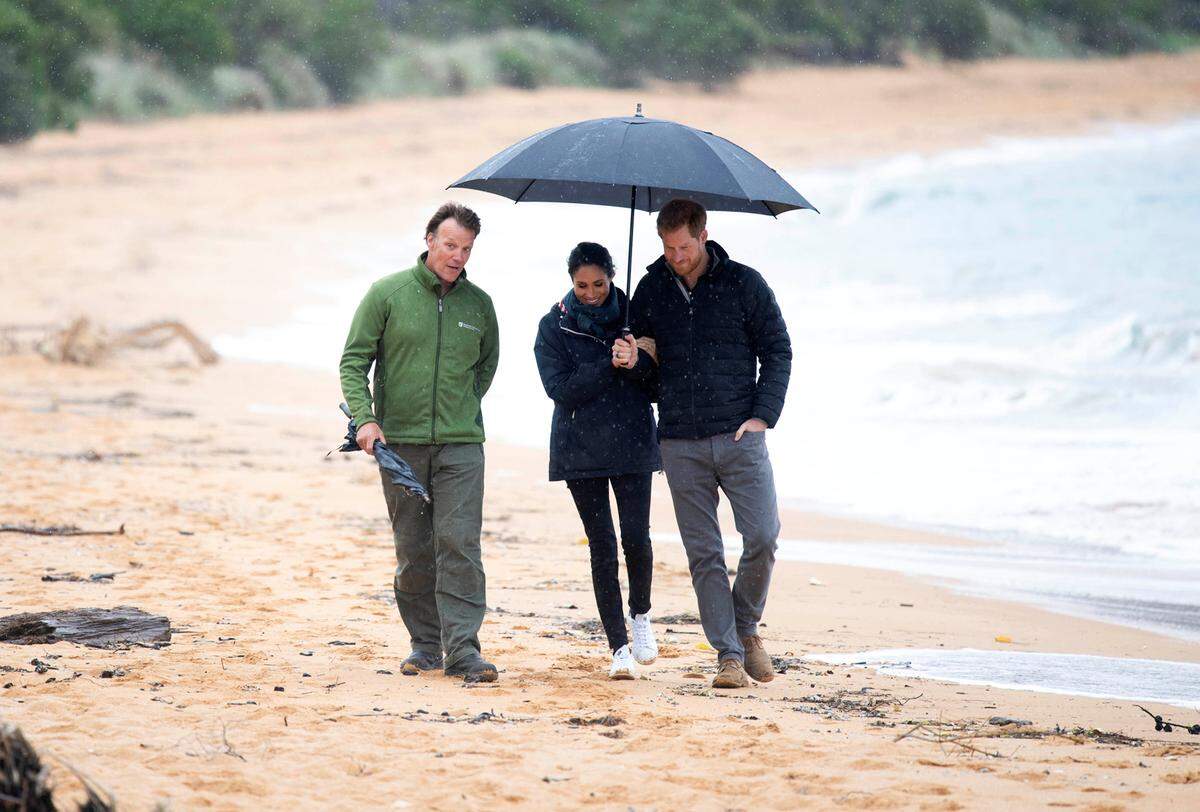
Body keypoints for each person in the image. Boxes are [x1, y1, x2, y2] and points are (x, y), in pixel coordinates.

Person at [628, 198, 791, 690]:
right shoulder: (652, 288)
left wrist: (763, 415)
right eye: (667, 247)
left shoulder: (745, 282)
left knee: (762, 538)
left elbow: (778, 349)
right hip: (680, 441)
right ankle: (728, 656)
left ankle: (745, 628)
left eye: (683, 247)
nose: (676, 256)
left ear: (703, 235)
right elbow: (645, 378)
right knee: (705, 555)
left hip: (740, 435)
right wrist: (634, 359)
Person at [339, 202, 500, 683]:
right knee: (414, 549)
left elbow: (485, 368)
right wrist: (366, 420)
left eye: (466, 249)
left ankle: (465, 650)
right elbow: (353, 362)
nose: (457, 256)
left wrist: (459, 408)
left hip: (461, 444)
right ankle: (425, 645)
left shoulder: (479, 305)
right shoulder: (387, 294)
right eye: (450, 245)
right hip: (399, 445)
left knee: (460, 544)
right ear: (429, 240)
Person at [534, 242, 661, 680]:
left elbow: (656, 384)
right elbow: (561, 388)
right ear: (571, 281)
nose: (591, 293)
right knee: (602, 545)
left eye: (599, 284)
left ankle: (641, 617)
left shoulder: (636, 318)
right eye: (582, 285)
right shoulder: (554, 325)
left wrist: (636, 359)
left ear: (612, 276)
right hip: (580, 449)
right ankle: (618, 647)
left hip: (632, 444)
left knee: (636, 538)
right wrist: (609, 364)